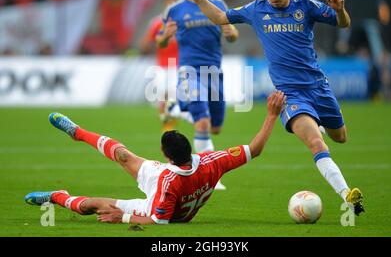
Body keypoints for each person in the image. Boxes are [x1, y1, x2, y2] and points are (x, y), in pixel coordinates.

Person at [176, 0, 364, 215]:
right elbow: (220, 17)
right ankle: (348, 196)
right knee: (317, 145)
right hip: (290, 94)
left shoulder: (306, 5)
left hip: (319, 88)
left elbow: (343, 23)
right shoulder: (257, 9)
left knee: (340, 137)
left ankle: (317, 121)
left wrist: (340, 10)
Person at [24, 91, 285, 225]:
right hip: (175, 182)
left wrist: (122, 218)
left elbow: (158, 221)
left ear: (166, 157)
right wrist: (271, 115)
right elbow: (255, 149)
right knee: (124, 155)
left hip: (161, 207)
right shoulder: (211, 160)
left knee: (94, 205)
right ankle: (77, 132)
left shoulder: (168, 183)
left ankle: (57, 196)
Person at [157, 0, 239, 190]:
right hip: (189, 72)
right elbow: (160, 40)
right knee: (202, 120)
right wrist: (165, 37)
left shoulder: (219, 4)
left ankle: (175, 109)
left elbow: (233, 36)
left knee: (215, 128)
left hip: (214, 73)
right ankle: (212, 176)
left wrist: (231, 32)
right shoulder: (174, 10)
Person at [139, 0, 182, 132]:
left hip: (177, 65)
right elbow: (145, 43)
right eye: (168, 4)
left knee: (173, 96)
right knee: (162, 96)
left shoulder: (181, 22)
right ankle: (166, 126)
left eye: (173, 4)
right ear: (164, 5)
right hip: (162, 65)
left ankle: (170, 126)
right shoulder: (157, 22)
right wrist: (148, 47)